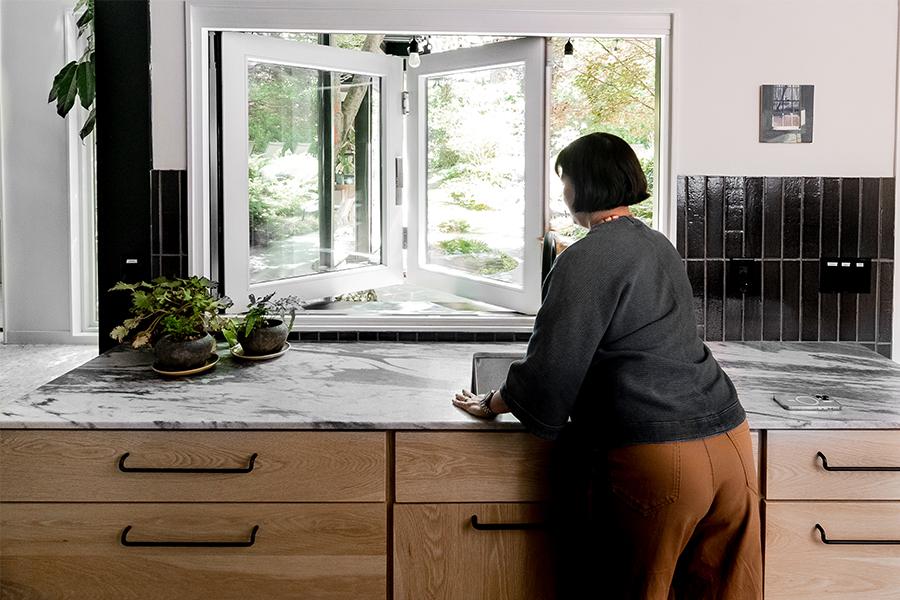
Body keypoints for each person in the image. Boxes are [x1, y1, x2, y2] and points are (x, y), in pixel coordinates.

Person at [451, 132, 763, 599]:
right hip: (731, 442)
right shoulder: (659, 245)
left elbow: (552, 370)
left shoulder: (585, 258)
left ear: (583, 185)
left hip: (661, 454)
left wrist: (495, 401)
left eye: (565, 181)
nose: (563, 193)